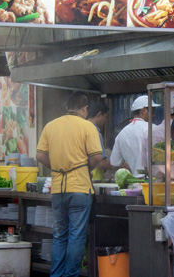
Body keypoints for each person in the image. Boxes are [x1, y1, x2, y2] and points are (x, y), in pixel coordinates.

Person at [35, 92, 103, 277]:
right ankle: (70, 275)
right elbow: (97, 156)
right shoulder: (87, 126)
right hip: (80, 188)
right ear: (85, 108)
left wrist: (56, 167)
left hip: (57, 188)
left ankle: (56, 275)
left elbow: (40, 155)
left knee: (59, 235)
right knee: (76, 236)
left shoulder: (50, 126)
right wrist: (85, 167)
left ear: (67, 107)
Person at [110, 95, 160, 176]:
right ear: (143, 110)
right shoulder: (153, 129)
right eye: (152, 111)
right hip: (153, 182)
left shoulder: (122, 133)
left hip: (134, 183)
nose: (154, 115)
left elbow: (114, 162)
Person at [87, 101, 117, 176]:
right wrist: (121, 165)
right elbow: (101, 163)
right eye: (105, 117)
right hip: (94, 178)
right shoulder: (95, 132)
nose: (105, 121)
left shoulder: (81, 129)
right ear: (99, 114)